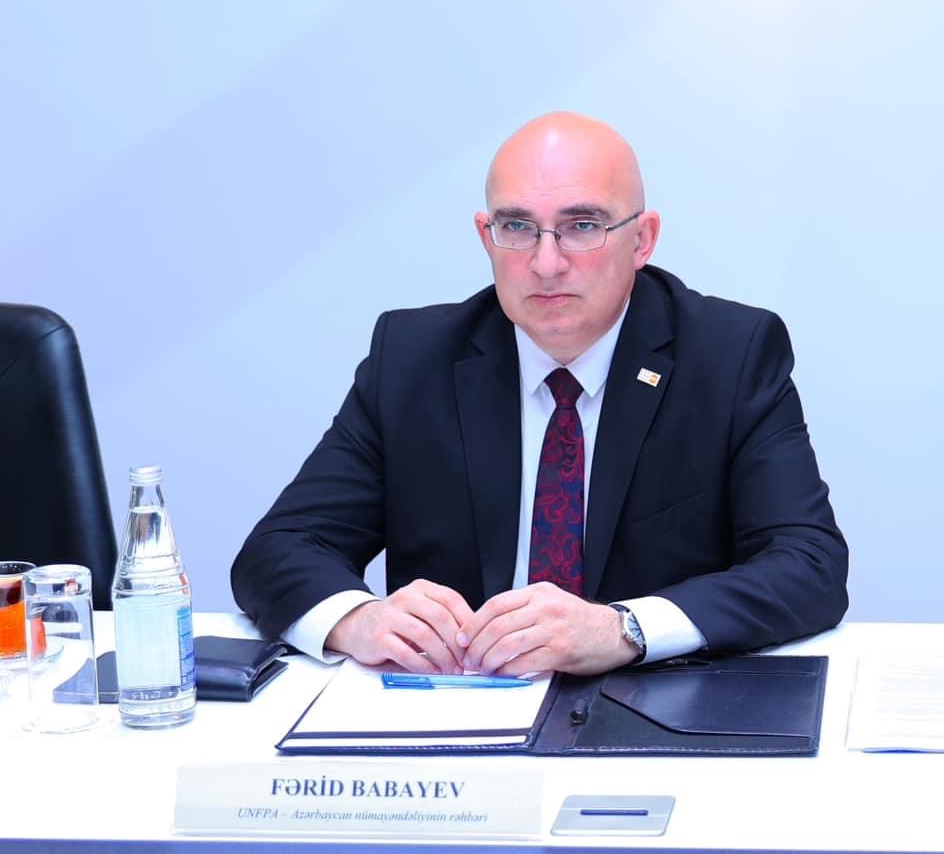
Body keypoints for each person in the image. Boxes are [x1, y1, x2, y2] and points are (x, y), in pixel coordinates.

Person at [233, 113, 848, 675]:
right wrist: (357, 619)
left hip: (658, 707)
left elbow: (809, 564)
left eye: (583, 227)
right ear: (486, 236)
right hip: (458, 710)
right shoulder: (414, 359)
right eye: (518, 228)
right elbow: (278, 548)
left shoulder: (729, 355)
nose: (546, 263)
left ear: (643, 240)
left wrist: (623, 629)